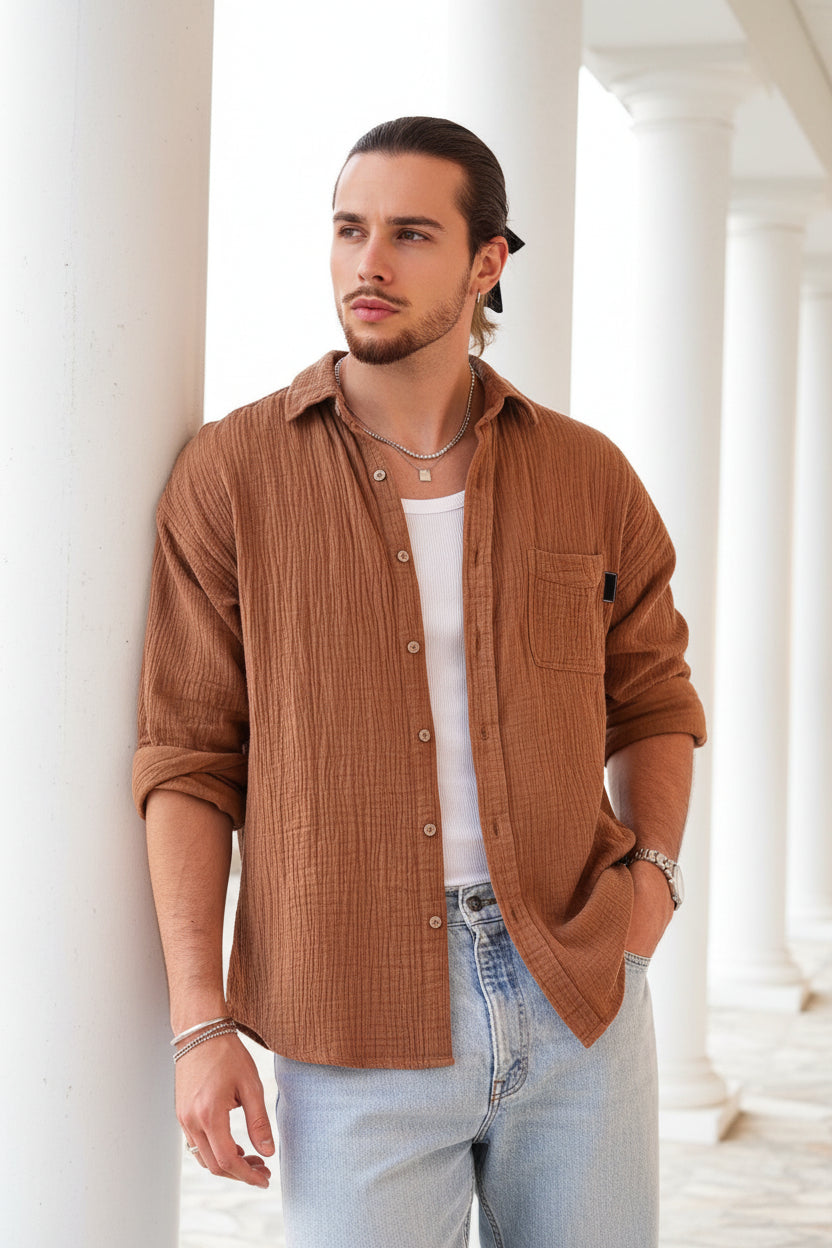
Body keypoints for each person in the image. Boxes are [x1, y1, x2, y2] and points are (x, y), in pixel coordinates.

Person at [133, 115, 706, 1248]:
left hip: (576, 982)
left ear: (487, 262)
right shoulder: (232, 476)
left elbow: (655, 698)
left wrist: (651, 880)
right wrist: (200, 1028)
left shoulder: (586, 476)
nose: (368, 265)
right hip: (350, 1005)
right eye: (349, 230)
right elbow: (188, 758)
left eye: (409, 234)